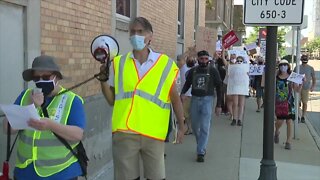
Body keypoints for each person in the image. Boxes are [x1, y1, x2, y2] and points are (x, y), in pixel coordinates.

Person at [99, 17, 185, 180]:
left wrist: (181, 125)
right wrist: (103, 82)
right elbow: (112, 100)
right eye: (132, 32)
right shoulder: (118, 63)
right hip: (125, 132)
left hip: (153, 134)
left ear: (150, 36)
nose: (136, 35)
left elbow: (175, 98)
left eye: (140, 32)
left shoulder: (165, 64)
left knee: (157, 177)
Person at [2, 55, 86, 179]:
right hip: (26, 171)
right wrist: (30, 106)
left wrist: (51, 125)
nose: (41, 80)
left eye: (46, 77)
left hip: (60, 172)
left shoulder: (72, 100)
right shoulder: (25, 96)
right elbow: (7, 128)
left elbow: (78, 134)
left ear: (56, 77)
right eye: (36, 78)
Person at [181, 50, 222, 163]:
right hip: (194, 99)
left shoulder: (213, 71)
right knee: (194, 126)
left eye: (206, 59)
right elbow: (187, 83)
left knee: (204, 126)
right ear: (198, 59)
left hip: (207, 100)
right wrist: (183, 93)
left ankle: (200, 151)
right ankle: (201, 144)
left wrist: (219, 105)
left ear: (208, 59)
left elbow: (219, 87)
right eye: (201, 59)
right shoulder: (193, 71)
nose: (204, 61)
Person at [274, 60, 302, 150]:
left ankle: (288, 141)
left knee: (289, 121)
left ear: (288, 66)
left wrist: (301, 84)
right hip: (279, 102)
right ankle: (277, 131)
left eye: (285, 65)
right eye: (281, 65)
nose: (283, 66)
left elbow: (296, 90)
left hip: (289, 102)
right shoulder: (276, 77)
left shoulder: (291, 77)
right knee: (280, 121)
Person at [294, 54, 316, 123]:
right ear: (301, 59)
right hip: (298, 88)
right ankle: (297, 115)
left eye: (306, 58)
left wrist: (313, 86)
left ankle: (303, 116)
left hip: (306, 88)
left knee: (305, 102)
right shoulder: (297, 67)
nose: (304, 60)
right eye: (303, 58)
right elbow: (293, 77)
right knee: (297, 102)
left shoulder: (310, 68)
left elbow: (314, 78)